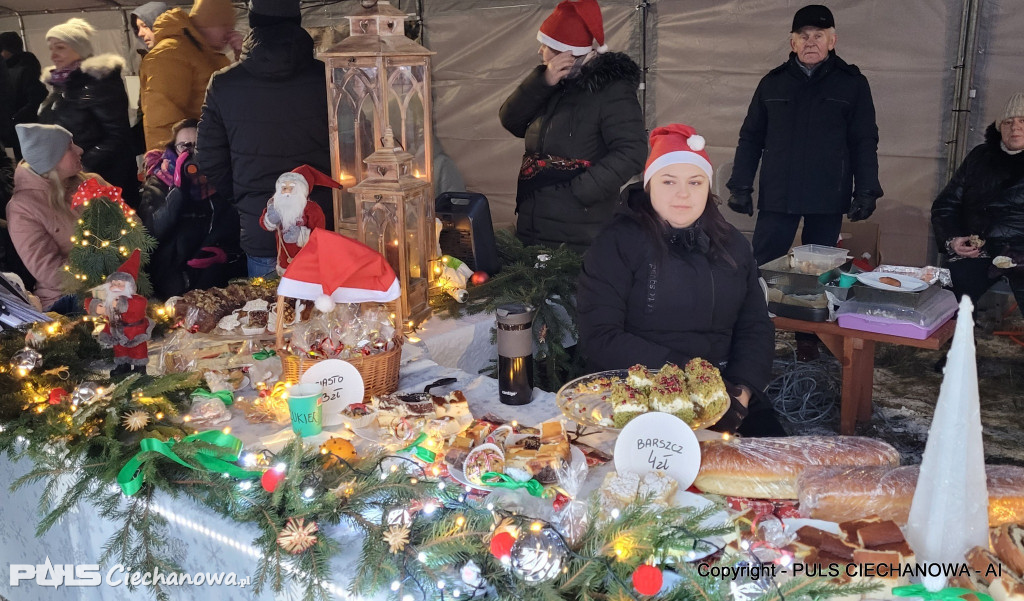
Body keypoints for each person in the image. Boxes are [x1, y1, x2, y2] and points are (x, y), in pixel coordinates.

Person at [577, 124, 783, 436]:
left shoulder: (733, 245)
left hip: (727, 388)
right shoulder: (617, 243)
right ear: (649, 185)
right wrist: (695, 380)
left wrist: (740, 393)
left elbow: (755, 325)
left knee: (778, 470)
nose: (683, 194)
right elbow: (601, 336)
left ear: (708, 188)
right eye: (669, 181)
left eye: (695, 182)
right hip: (639, 390)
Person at [725, 4, 883, 361]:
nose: (811, 42)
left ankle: (809, 340)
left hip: (828, 194)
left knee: (820, 275)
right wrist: (740, 185)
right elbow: (751, 137)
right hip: (779, 193)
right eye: (804, 36)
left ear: (832, 40)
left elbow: (864, 140)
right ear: (792, 42)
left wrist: (867, 189)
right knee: (763, 266)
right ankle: (754, 335)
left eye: (819, 36)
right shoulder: (772, 82)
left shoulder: (852, 84)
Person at [499, 0, 646, 252]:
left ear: (563, 52)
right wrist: (542, 81)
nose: (540, 51)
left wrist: (583, 190)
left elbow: (632, 150)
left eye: (545, 45)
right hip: (534, 221)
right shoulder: (552, 83)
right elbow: (511, 121)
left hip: (580, 228)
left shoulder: (611, 89)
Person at [199, 0, 332, 278]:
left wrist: (245, 199)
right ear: (297, 19)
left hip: (262, 229)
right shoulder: (328, 78)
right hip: (322, 224)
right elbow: (354, 145)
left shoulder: (224, 84)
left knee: (265, 317)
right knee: (331, 316)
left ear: (252, 20)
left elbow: (209, 158)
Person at [931, 92, 1024, 317]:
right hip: (979, 247)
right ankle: (959, 350)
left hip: (1022, 250)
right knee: (953, 299)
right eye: (1008, 122)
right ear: (998, 127)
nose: (1015, 128)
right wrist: (952, 240)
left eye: (1023, 121)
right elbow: (946, 204)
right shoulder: (979, 157)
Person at [38, 18, 139, 208]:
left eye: (60, 47)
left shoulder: (100, 84)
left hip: (100, 179)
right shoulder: (61, 85)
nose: (53, 55)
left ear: (79, 49)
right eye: (51, 48)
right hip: (69, 179)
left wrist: (80, 166)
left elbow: (118, 137)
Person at [138, 118, 243, 297]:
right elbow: (152, 233)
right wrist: (179, 190)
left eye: (197, 146)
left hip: (215, 279)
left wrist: (226, 255)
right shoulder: (158, 181)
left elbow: (236, 230)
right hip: (171, 281)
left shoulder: (222, 180)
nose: (191, 152)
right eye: (184, 146)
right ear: (173, 148)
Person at [6, 123, 94, 314]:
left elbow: (133, 225)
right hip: (66, 300)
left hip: (119, 283)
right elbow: (53, 274)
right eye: (69, 147)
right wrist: (103, 263)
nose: (80, 149)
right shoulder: (23, 208)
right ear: (51, 159)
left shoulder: (90, 182)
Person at [140, 0, 240, 150]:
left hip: (209, 156)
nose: (229, 32)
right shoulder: (171, 54)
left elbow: (236, 105)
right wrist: (164, 164)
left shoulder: (213, 57)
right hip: (185, 161)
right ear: (207, 24)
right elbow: (161, 119)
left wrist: (241, 58)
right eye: (224, 25)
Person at [85, 250, 154, 376]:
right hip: (115, 330)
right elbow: (90, 301)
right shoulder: (108, 298)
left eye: (120, 284)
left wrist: (120, 304)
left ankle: (139, 368)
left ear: (129, 286)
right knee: (119, 349)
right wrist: (97, 307)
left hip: (134, 331)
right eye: (113, 283)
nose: (116, 286)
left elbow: (138, 305)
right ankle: (123, 366)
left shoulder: (137, 299)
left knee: (137, 350)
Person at [260, 166, 339, 276]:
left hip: (307, 263)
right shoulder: (276, 205)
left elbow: (320, 235)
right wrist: (269, 219)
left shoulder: (312, 209)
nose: (287, 192)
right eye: (284, 188)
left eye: (291, 188)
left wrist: (301, 235)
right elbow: (264, 224)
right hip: (283, 262)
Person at [128, 2, 170, 155]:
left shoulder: (172, 57)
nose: (140, 33)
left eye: (145, 26)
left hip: (172, 147)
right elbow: (145, 107)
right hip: (158, 145)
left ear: (160, 23)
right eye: (138, 28)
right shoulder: (149, 59)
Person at [0, 32, 47, 160]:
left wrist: (15, 118)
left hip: (22, 128)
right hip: (11, 128)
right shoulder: (8, 68)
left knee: (23, 160)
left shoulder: (25, 68)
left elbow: (37, 97)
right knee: (12, 159)